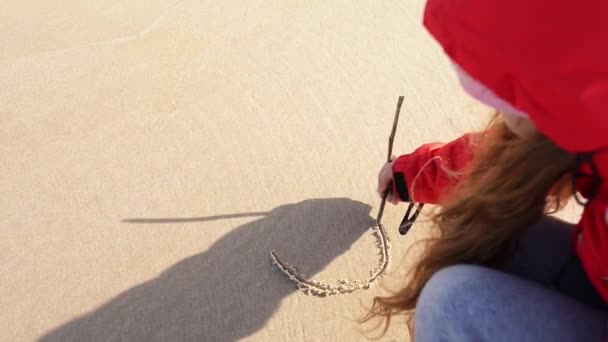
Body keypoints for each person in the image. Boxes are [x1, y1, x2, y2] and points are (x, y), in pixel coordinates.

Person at [366, 0, 608, 341]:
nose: (497, 112)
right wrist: (413, 174)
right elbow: (511, 160)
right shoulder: (591, 111)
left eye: (505, 99)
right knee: (485, 228)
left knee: (452, 306)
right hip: (599, 269)